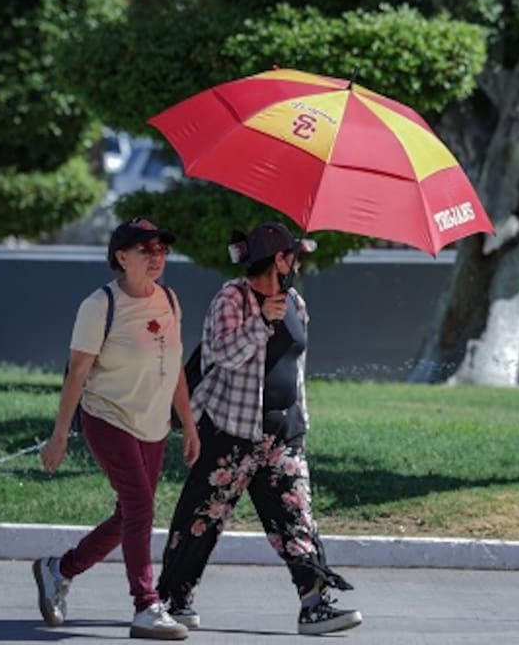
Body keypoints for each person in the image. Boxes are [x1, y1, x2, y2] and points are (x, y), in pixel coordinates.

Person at [156, 221, 363, 636]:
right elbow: (221, 354)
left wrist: (300, 420)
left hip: (283, 434)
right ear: (279, 259)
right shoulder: (231, 298)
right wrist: (261, 322)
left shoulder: (296, 303)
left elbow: (295, 366)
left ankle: (315, 603)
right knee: (202, 518)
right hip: (231, 432)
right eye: (294, 256)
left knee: (296, 518)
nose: (299, 263)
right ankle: (174, 600)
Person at [33, 218, 200, 640]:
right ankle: (146, 605)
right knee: (141, 508)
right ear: (121, 257)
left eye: (162, 249)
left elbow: (175, 368)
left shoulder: (170, 300)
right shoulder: (99, 305)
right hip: (108, 418)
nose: (156, 257)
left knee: (128, 514)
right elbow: (76, 372)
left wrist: (190, 426)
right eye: (146, 250)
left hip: (154, 424)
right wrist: (59, 437)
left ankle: (59, 569)